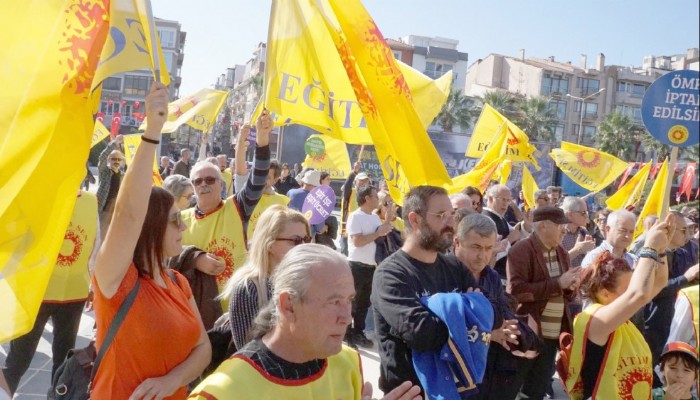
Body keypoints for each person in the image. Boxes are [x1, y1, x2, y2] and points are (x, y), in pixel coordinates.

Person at [91, 83, 210, 399]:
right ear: (151, 226)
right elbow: (128, 212)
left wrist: (173, 380)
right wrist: (152, 131)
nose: (182, 228)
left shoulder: (179, 283)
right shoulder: (116, 281)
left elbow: (203, 348)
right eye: (174, 220)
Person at [189, 244, 422, 400]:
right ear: (288, 305)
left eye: (349, 300)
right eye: (334, 302)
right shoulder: (223, 392)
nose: (347, 317)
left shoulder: (347, 363)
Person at [372, 186, 480, 394]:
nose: (450, 223)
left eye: (452, 215)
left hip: (456, 388)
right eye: (441, 215)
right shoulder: (390, 274)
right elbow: (421, 334)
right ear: (415, 220)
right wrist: (467, 315)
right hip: (409, 392)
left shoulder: (454, 267)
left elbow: (490, 312)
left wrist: (452, 315)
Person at [564, 214, 675, 399]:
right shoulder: (595, 321)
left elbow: (659, 283)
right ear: (605, 293)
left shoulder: (617, 317)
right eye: (627, 288)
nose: (632, 291)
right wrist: (650, 247)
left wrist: (661, 250)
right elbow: (639, 294)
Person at [2, 191, 99, 396]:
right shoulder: (36, 196)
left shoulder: (90, 202)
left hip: (72, 292)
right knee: (20, 358)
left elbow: (94, 244)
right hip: (38, 293)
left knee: (63, 360)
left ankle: (58, 396)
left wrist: (93, 283)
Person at [181, 116, 272, 311]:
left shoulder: (237, 208)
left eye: (210, 180)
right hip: (196, 312)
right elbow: (165, 257)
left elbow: (257, 179)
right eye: (198, 181)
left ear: (221, 184)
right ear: (192, 188)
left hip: (237, 310)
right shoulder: (180, 220)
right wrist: (195, 259)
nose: (204, 184)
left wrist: (262, 139)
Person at [453, 214, 541, 400]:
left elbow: (501, 311)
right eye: (476, 247)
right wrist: (488, 335)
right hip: (454, 373)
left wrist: (507, 329)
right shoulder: (444, 274)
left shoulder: (490, 276)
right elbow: (440, 327)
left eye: (488, 248)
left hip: (490, 369)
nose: (482, 255)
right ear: (457, 242)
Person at [506, 206, 581, 399]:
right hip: (528, 334)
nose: (564, 230)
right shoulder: (521, 250)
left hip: (551, 337)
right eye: (560, 226)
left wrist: (571, 288)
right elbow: (516, 291)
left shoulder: (562, 253)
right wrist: (558, 284)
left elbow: (564, 292)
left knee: (537, 390)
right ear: (544, 226)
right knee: (513, 388)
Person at [221, 205, 310, 350]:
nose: (304, 246)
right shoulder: (248, 289)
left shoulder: (305, 281)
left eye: (307, 239)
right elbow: (248, 351)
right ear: (270, 245)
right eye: (295, 241)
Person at [644, 212, 700, 380]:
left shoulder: (683, 252)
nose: (688, 235)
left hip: (677, 317)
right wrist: (685, 278)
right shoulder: (652, 253)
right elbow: (652, 290)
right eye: (683, 230)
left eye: (690, 230)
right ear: (670, 228)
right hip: (657, 323)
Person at [345, 186, 393, 348]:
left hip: (371, 266)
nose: (378, 199)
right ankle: (346, 333)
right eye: (375, 196)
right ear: (367, 198)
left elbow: (380, 235)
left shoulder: (373, 218)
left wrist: (387, 221)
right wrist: (378, 233)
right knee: (351, 302)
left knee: (364, 303)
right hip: (356, 266)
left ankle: (358, 332)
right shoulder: (355, 217)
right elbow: (357, 241)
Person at [482, 184, 521, 280]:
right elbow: (488, 253)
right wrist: (510, 239)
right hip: (493, 276)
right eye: (503, 199)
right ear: (490, 199)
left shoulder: (500, 218)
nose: (505, 204)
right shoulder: (486, 219)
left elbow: (517, 233)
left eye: (508, 201)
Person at [245, 159, 290, 239]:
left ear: (275, 180)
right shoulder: (245, 194)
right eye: (260, 174)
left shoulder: (280, 203)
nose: (261, 180)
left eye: (267, 177)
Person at [340, 162, 372, 255]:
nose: (363, 183)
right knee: (346, 258)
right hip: (347, 232)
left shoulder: (370, 196)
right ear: (355, 182)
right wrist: (354, 172)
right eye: (361, 180)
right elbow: (347, 186)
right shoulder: (350, 193)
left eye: (365, 181)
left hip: (362, 233)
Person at [97, 135, 124, 241]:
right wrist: (114, 143)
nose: (116, 161)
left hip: (116, 214)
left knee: (112, 240)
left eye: (118, 159)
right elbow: (102, 157)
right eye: (113, 159)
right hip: (103, 211)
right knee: (101, 239)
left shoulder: (123, 176)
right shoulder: (104, 172)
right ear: (109, 159)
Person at [560, 196, 596, 268]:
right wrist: (577, 250)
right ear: (570, 214)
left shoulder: (584, 232)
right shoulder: (558, 234)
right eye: (583, 213)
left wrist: (591, 251)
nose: (586, 216)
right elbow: (557, 263)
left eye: (587, 212)